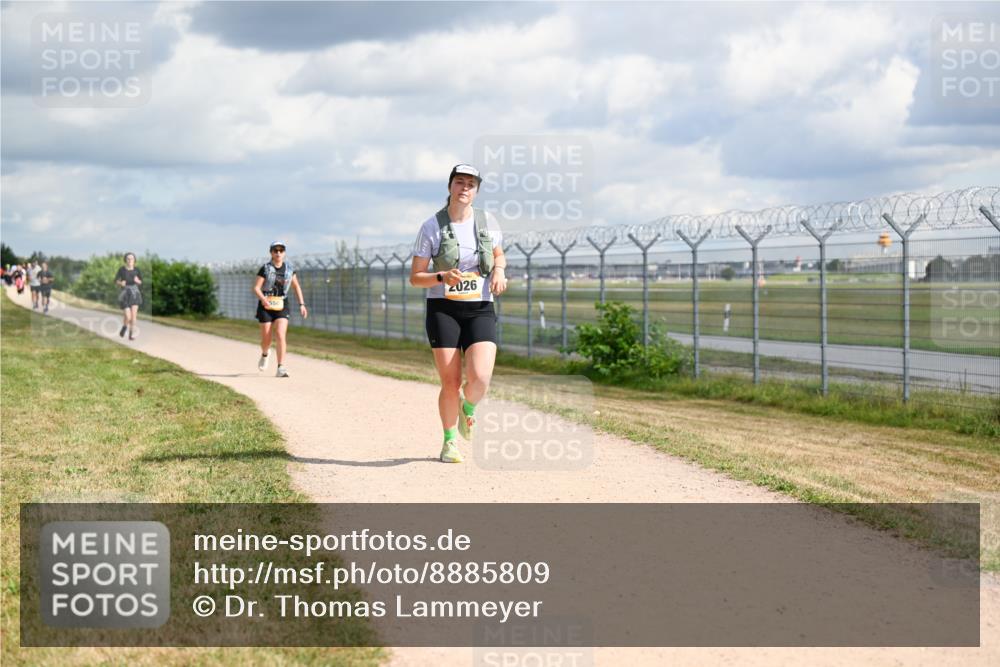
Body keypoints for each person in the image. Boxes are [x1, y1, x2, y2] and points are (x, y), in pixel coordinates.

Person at [409, 164, 508, 463]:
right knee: (450, 382)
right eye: (459, 182)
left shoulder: (488, 221)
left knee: (480, 377)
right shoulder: (431, 227)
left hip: (480, 307)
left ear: (476, 190)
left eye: (471, 184)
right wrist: (441, 277)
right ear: (450, 186)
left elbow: (498, 253)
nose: (464, 188)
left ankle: (469, 408)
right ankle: (449, 441)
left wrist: (500, 270)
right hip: (444, 309)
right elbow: (416, 277)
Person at [252, 240, 307, 378]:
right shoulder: (265, 268)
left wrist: (302, 304)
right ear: (271, 252)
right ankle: (265, 353)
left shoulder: (289, 269)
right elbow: (256, 288)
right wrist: (264, 299)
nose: (278, 253)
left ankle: (280, 367)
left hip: (281, 304)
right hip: (266, 305)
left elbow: (296, 287)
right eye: (275, 250)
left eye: (281, 250)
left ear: (284, 253)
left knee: (281, 334)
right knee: (266, 338)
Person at [115, 252, 143, 341]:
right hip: (125, 293)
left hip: (135, 293)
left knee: (134, 316)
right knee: (128, 316)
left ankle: (131, 334)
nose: (130, 260)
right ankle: (124, 326)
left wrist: (137, 281)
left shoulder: (137, 270)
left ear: (134, 260)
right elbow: (115, 280)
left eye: (132, 258)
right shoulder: (122, 270)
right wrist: (120, 283)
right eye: (128, 258)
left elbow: (140, 281)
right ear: (125, 260)